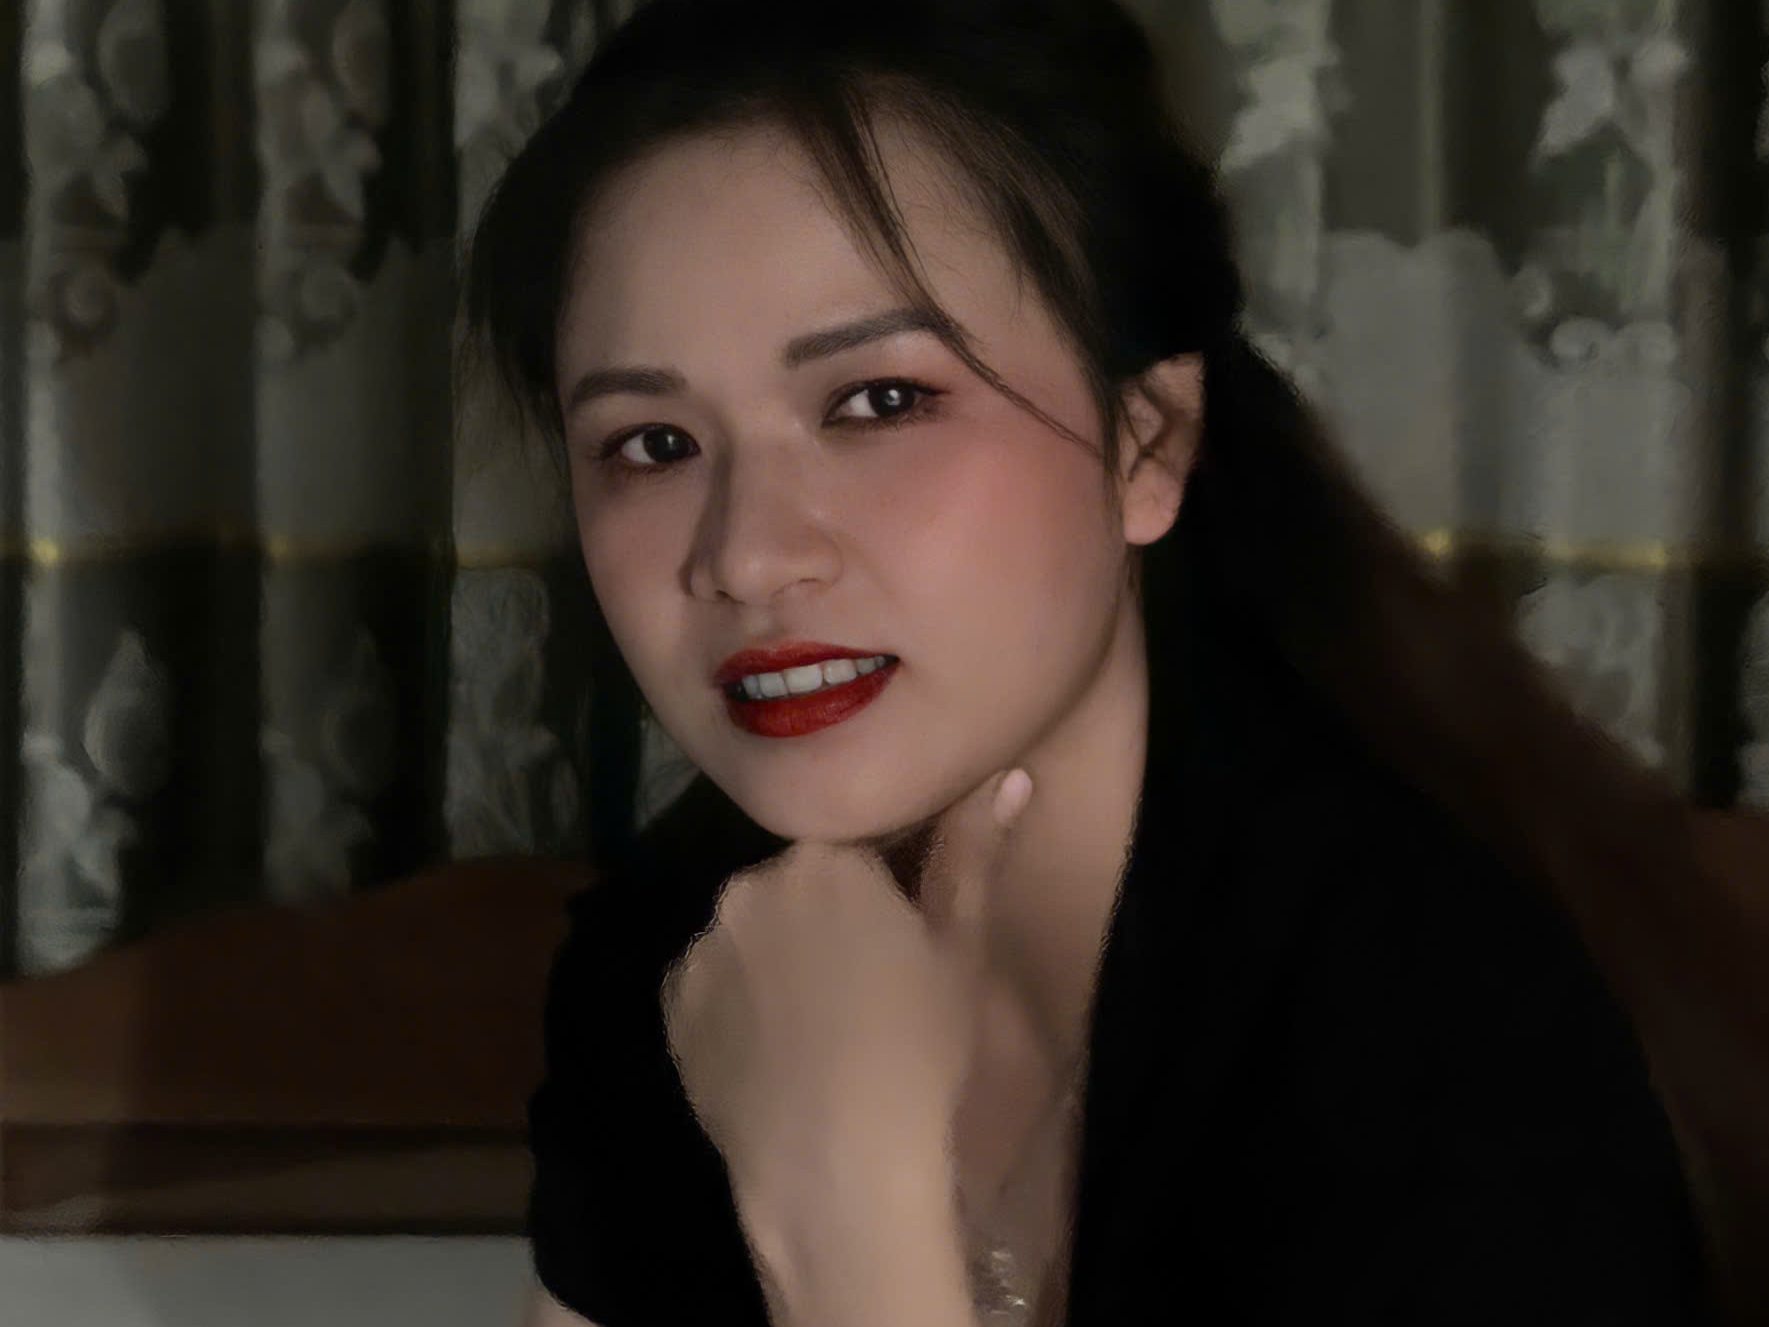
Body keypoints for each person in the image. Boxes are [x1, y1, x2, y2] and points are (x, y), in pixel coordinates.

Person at [463, 1, 1742, 1322]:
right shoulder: (686, 952)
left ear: (1146, 442)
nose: (744, 554)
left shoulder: (1447, 1024)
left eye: (879, 402)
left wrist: (848, 1209)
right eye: (652, 445)